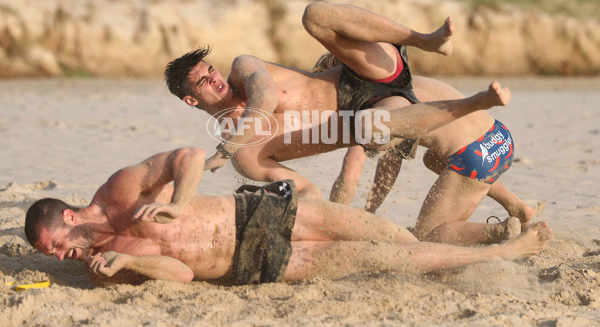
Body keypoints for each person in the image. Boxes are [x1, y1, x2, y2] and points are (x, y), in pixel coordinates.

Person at [24, 147, 552, 287]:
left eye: (58, 245)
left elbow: (186, 157)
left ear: (69, 216)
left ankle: (473, 244)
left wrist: (181, 201)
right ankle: (503, 250)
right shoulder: (104, 267)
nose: (66, 257)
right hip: (262, 263)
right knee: (382, 257)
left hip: (262, 210)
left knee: (385, 233)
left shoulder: (116, 193)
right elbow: (182, 273)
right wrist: (128, 264)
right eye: (56, 258)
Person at [164, 2, 511, 205]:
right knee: (371, 129)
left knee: (313, 13)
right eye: (203, 81)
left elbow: (266, 99)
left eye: (210, 70)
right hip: (375, 111)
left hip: (361, 70)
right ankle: (479, 101)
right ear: (192, 99)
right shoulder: (247, 155)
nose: (214, 77)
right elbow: (308, 193)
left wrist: (222, 153)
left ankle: (426, 39)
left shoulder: (244, 68)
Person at [311, 55, 540, 238]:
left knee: (427, 237)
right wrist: (370, 213)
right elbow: (390, 166)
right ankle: (518, 207)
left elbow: (351, 174)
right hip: (500, 137)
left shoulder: (375, 110)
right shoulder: (400, 83)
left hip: (474, 158)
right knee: (431, 159)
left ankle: (500, 231)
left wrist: (333, 226)